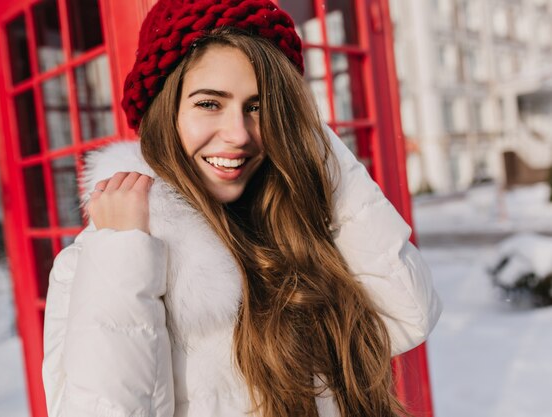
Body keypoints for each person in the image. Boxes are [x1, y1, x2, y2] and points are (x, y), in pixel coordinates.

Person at [42, 1, 442, 416]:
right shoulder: (98, 264)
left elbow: (410, 313)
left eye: (258, 107)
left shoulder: (291, 227)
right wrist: (122, 253)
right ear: (165, 112)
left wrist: (310, 147)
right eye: (210, 104)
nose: (239, 134)